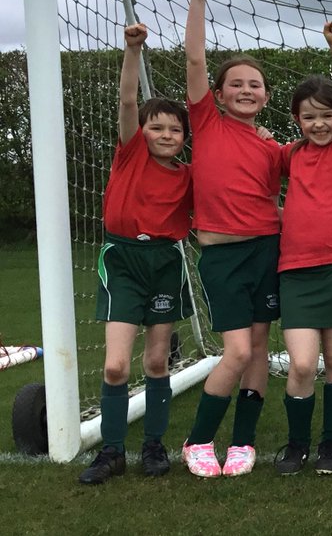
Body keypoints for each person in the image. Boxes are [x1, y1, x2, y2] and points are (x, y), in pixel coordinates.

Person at [79, 24, 193, 485]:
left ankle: (153, 445)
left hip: (166, 263)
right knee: (115, 365)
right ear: (141, 131)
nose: (165, 134)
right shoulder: (130, 155)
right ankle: (111, 451)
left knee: (156, 361)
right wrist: (132, 50)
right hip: (123, 261)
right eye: (156, 126)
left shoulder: (189, 175)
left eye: (174, 129)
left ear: (185, 135)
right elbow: (128, 101)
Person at [181, 0, 284, 478]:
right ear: (218, 94)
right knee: (237, 349)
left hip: (268, 250)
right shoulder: (206, 122)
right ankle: (198, 440)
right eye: (236, 84)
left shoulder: (273, 146)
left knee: (260, 348)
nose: (246, 90)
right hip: (222, 254)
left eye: (255, 85)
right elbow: (195, 59)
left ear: (265, 96)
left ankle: (242, 443)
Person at [272, 22, 332, 476]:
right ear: (297, 120)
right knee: (303, 364)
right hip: (294, 273)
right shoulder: (289, 155)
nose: (320, 123)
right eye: (309, 116)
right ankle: (296, 445)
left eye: (326, 114)